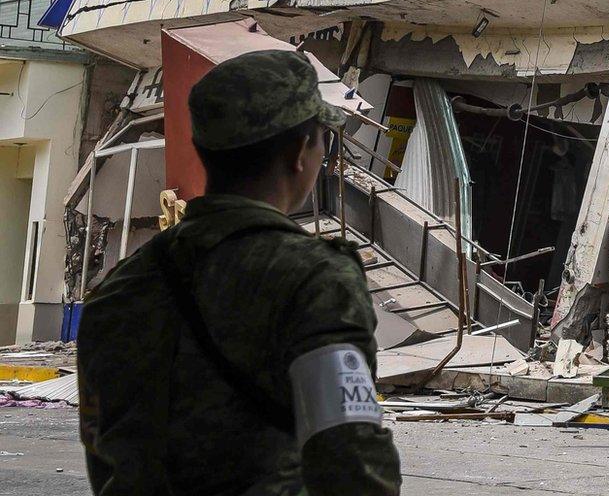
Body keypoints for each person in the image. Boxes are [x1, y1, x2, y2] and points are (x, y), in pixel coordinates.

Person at [77, 50, 400, 495]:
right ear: (298, 152)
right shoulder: (313, 280)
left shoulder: (119, 291)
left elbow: (106, 457)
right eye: (322, 138)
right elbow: (351, 462)